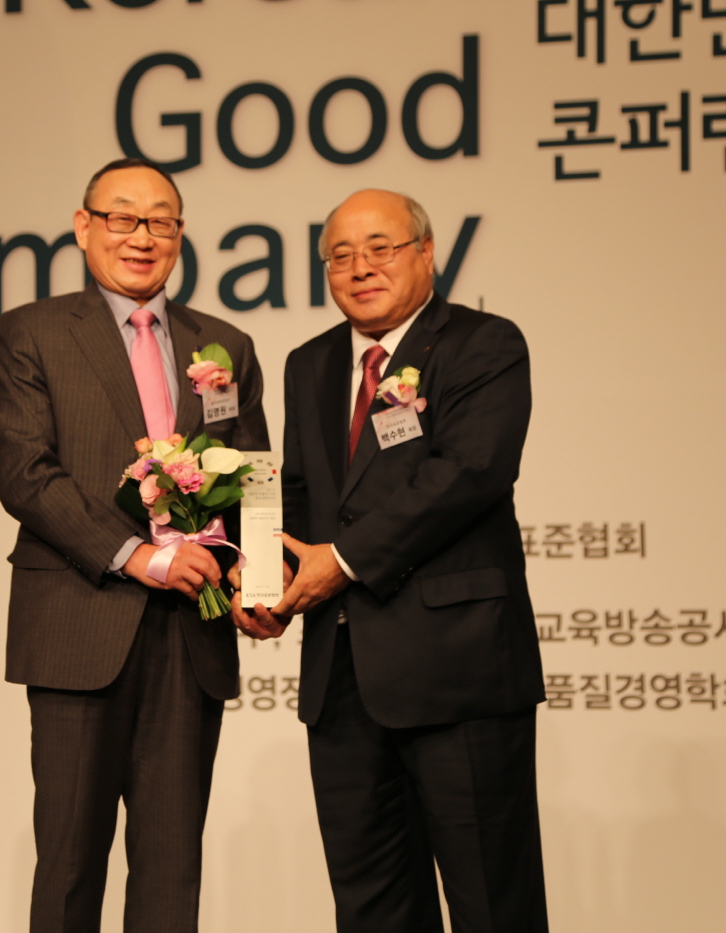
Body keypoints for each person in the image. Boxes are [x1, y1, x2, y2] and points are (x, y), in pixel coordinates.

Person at [235, 189, 548, 932]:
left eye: (380, 247)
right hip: (342, 681)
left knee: (491, 902)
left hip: (459, 673)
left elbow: (467, 474)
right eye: (340, 255)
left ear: (426, 252)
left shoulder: (484, 344)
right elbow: (300, 490)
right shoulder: (310, 362)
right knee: (371, 906)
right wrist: (264, 575)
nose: (359, 267)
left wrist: (340, 562)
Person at [0, 157, 269, 933]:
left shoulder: (225, 345)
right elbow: (25, 472)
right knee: (71, 865)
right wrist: (142, 556)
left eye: (161, 221)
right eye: (122, 218)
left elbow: (254, 477)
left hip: (192, 630)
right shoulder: (34, 332)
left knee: (172, 869)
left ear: (180, 234)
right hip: (81, 621)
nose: (142, 237)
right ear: (84, 228)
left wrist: (259, 580)